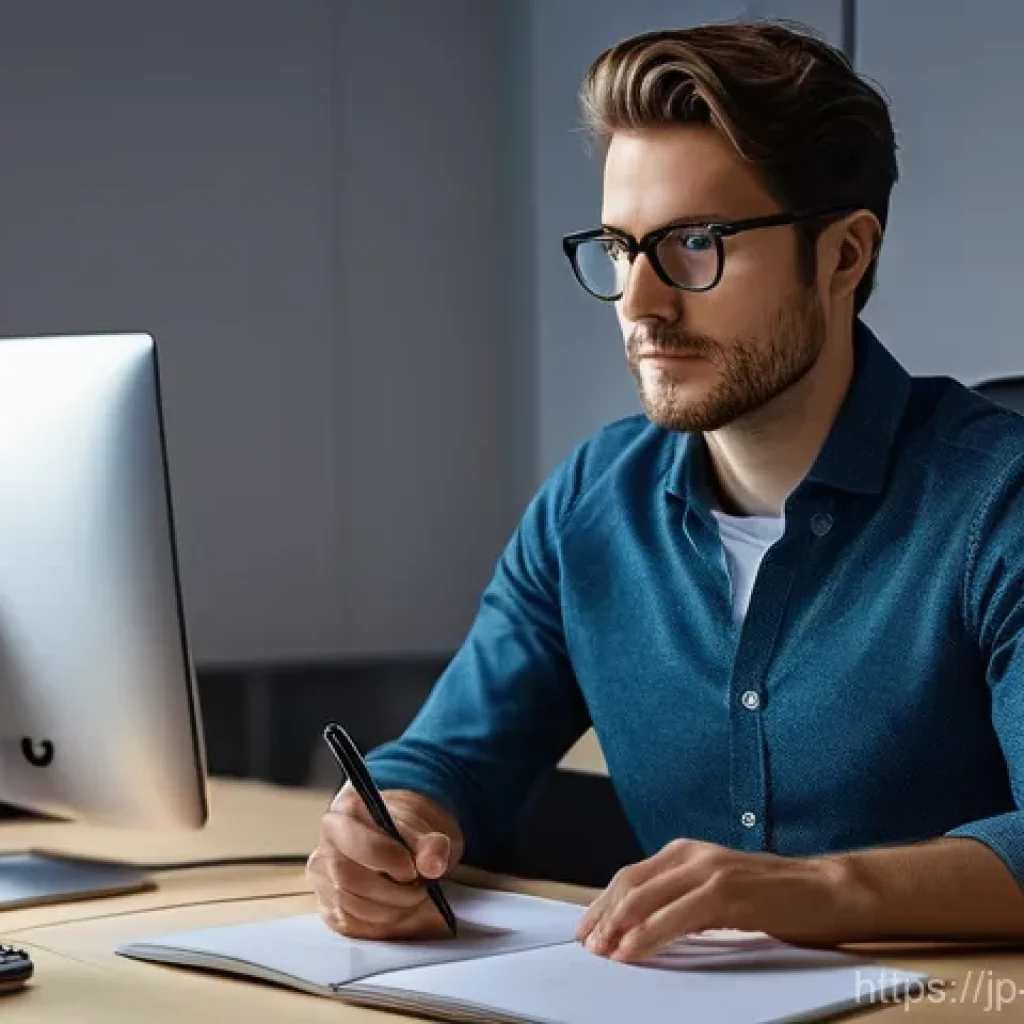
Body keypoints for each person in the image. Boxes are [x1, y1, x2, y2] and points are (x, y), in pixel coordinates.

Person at [307, 19, 1024, 961]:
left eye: (696, 242)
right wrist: (382, 825)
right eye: (618, 246)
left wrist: (815, 892)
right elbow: (450, 759)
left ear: (844, 256)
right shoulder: (590, 502)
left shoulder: (997, 503)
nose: (642, 302)